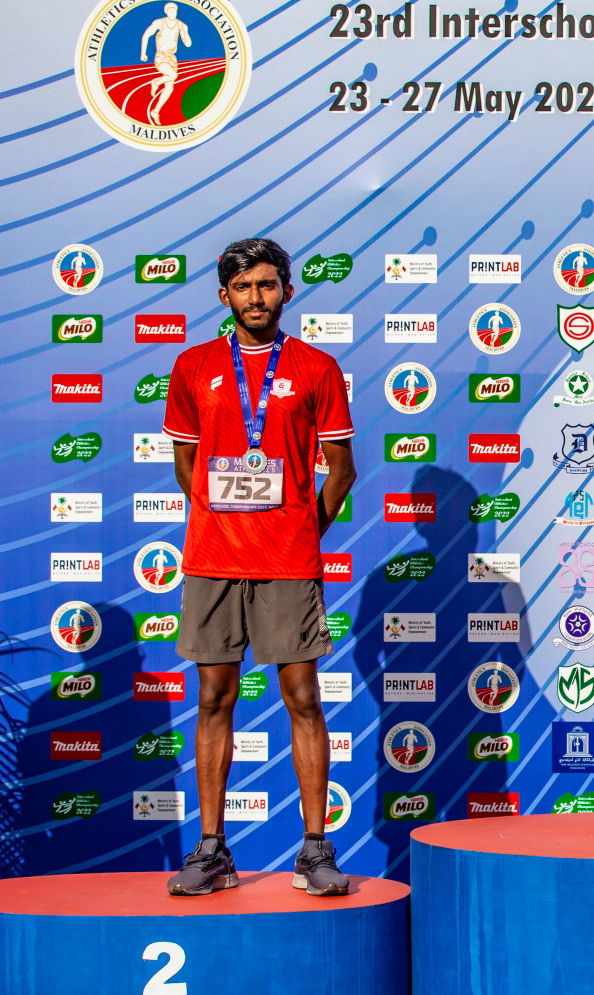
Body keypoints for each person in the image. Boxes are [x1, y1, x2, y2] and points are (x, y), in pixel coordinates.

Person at [161, 238, 357, 896]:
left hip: (288, 562)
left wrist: (302, 529)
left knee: (303, 699)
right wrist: (224, 519)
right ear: (224, 296)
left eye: (268, 285)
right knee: (213, 698)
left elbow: (342, 469)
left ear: (287, 292)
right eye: (244, 287)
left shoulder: (316, 368)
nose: (256, 297)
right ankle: (213, 849)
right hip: (213, 560)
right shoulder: (193, 366)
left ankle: (314, 849)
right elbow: (186, 465)